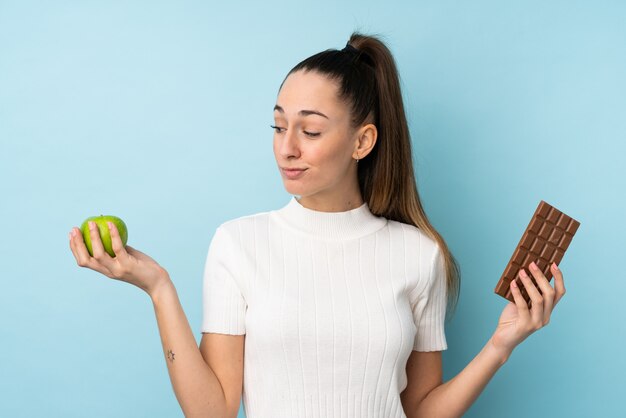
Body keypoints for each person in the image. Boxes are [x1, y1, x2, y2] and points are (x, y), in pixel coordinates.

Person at [68, 32, 567, 418]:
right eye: (279, 126)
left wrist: (501, 345)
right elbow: (213, 410)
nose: (287, 147)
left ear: (362, 141)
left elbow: (420, 410)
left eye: (309, 130)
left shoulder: (418, 254)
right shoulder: (238, 243)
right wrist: (158, 289)